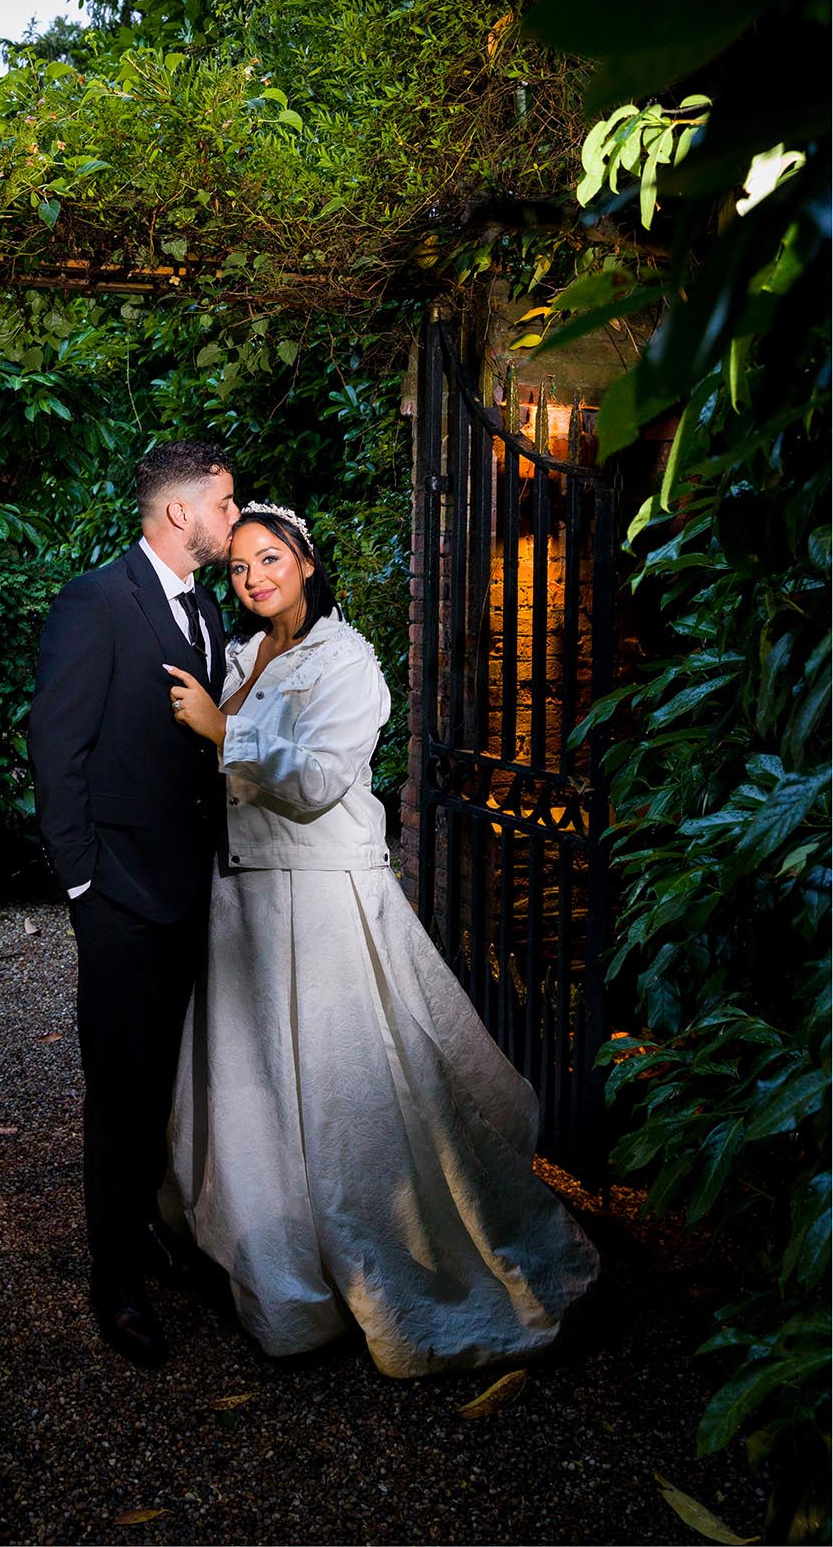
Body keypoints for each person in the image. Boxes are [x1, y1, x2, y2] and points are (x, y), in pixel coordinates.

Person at [164, 503, 599, 1375]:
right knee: (255, 1090)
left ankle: (385, 1263)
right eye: (240, 566)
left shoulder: (348, 661)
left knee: (340, 1087)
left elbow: (322, 780)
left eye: (269, 558)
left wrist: (223, 731)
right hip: (242, 899)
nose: (253, 578)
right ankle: (273, 1266)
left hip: (318, 902)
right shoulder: (244, 655)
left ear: (307, 563)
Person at [27, 441, 239, 1369]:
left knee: (162, 1079)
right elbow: (54, 744)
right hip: (118, 893)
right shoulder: (96, 601)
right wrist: (82, 880)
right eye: (226, 505)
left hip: (194, 888)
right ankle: (111, 1275)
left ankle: (149, 1228)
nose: (236, 521)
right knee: (118, 1091)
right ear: (178, 514)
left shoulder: (206, 607)